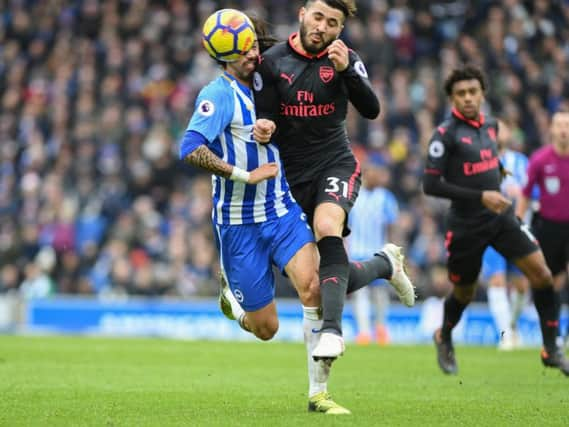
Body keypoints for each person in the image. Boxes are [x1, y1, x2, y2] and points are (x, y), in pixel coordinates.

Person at [179, 10, 350, 414]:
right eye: (244, 54)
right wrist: (242, 173)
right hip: (238, 225)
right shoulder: (216, 96)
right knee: (266, 329)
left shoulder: (270, 74)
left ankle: (318, 395)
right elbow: (190, 148)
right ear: (225, 60)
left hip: (280, 209)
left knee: (312, 288)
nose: (254, 56)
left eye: (254, 46)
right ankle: (234, 305)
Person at [254, 0, 415, 360]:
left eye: (332, 23)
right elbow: (265, 115)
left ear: (340, 29)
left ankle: (332, 332)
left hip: (335, 164)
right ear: (302, 14)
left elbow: (372, 110)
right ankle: (383, 265)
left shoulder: (346, 58)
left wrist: (348, 72)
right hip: (289, 177)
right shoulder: (272, 62)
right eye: (318, 17)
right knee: (313, 281)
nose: (322, 27)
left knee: (328, 225)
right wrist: (264, 127)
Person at [422, 65, 569, 376]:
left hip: (501, 218)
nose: (467, 98)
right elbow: (431, 185)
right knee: (464, 293)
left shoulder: (490, 127)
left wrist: (498, 178)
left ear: (482, 94)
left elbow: (486, 163)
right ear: (452, 99)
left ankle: (551, 348)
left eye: (472, 92)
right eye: (460, 94)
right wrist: (480, 196)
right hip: (466, 225)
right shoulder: (445, 136)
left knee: (541, 274)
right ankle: (444, 335)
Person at [516, 110, 569, 347]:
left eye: (567, 125)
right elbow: (525, 195)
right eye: (559, 124)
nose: (563, 129)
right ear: (551, 129)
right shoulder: (540, 160)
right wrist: (517, 222)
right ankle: (554, 333)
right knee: (552, 282)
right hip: (548, 227)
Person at [480, 120, 530, 350]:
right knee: (497, 281)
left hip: (517, 228)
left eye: (502, 128)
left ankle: (512, 324)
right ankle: (506, 335)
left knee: (521, 285)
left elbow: (532, 193)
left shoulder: (521, 162)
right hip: (490, 229)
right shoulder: (480, 161)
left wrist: (519, 198)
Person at [346, 154, 399, 345]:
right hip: (357, 253)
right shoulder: (354, 197)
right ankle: (364, 332)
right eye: (377, 173)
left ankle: (381, 328)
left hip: (379, 253)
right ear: (368, 174)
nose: (381, 177)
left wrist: (395, 252)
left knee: (380, 294)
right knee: (360, 293)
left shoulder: (386, 198)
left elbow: (393, 227)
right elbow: (346, 228)